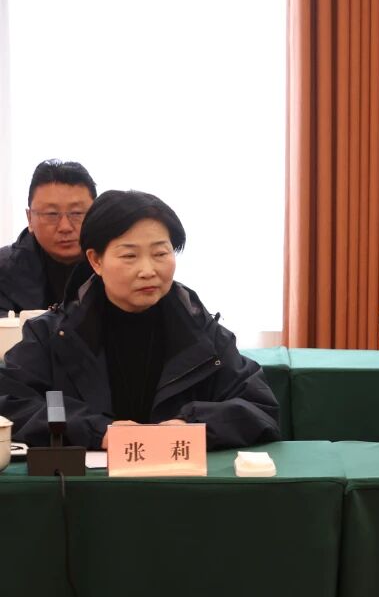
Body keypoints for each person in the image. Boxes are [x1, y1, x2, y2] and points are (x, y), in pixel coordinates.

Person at [0, 190, 281, 449]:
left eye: (160, 253)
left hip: (179, 480)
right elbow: (11, 402)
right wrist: (97, 431)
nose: (148, 270)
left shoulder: (202, 332)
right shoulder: (51, 334)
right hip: (87, 484)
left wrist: (193, 426)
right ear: (96, 261)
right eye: (130, 255)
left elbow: (259, 407)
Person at [0, 160, 98, 313]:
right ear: (30, 219)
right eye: (52, 214)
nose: (65, 227)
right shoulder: (3, 271)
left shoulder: (119, 262)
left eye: (77, 213)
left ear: (96, 214)